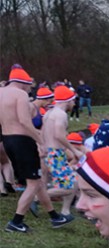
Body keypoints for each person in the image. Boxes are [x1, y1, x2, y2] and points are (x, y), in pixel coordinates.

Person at [2, 65, 73, 232]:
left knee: (38, 180)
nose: (29, 88)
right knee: (33, 183)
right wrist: (40, 141)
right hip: (22, 140)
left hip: (7, 139)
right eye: (29, 85)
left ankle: (55, 217)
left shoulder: (1, 92)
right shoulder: (20, 94)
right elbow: (25, 122)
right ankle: (16, 222)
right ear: (23, 83)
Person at [42, 85, 83, 218]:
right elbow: (59, 135)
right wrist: (74, 150)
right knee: (69, 187)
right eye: (73, 100)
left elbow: (43, 133)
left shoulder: (49, 113)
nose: (74, 103)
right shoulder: (61, 115)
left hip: (50, 152)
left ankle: (65, 211)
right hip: (56, 153)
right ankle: (37, 197)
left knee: (74, 181)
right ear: (68, 100)